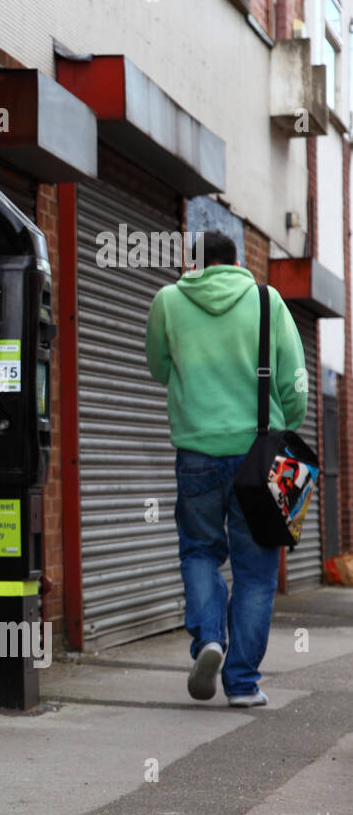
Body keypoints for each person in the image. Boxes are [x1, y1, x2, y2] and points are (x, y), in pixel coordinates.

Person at [144, 230, 307, 707]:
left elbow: (158, 366)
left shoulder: (168, 301)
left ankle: (208, 640)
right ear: (236, 262)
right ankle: (243, 685)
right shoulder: (266, 300)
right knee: (256, 573)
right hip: (260, 453)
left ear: (192, 264)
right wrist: (283, 428)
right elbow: (295, 381)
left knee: (199, 552)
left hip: (196, 454)